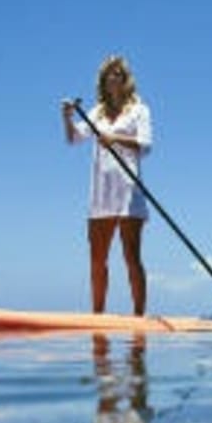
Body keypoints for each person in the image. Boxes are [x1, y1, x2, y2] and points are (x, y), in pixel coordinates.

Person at [61, 56, 153, 315]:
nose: (113, 79)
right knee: (97, 261)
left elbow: (145, 145)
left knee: (131, 258)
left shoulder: (140, 110)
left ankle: (138, 318)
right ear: (103, 81)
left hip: (129, 192)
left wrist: (115, 138)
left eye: (118, 74)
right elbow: (73, 138)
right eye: (109, 75)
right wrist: (67, 117)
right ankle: (97, 317)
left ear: (126, 80)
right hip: (101, 194)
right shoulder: (96, 112)